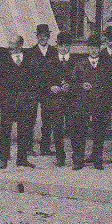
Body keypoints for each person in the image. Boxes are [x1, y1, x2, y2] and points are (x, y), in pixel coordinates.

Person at [0, 36, 39, 169]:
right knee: (5, 130)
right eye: (9, 42)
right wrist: (7, 88)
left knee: (24, 130)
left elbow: (35, 78)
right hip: (8, 101)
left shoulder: (29, 59)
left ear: (20, 45)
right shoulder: (2, 60)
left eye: (11, 43)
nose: (9, 45)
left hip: (25, 101)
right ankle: (3, 159)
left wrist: (30, 94)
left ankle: (22, 159)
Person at [70, 35, 112, 170]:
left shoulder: (106, 65)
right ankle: (78, 160)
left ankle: (97, 159)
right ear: (88, 49)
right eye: (91, 48)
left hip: (100, 104)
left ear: (100, 49)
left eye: (96, 48)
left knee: (99, 132)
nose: (94, 50)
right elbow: (72, 84)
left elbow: (110, 84)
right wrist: (82, 85)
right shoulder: (80, 64)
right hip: (82, 104)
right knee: (80, 132)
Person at [42, 31, 77, 167]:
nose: (64, 48)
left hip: (71, 101)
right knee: (57, 129)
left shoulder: (76, 62)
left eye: (67, 46)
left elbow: (80, 80)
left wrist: (71, 86)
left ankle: (76, 156)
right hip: (55, 101)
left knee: (73, 128)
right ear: (57, 46)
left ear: (70, 47)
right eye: (61, 45)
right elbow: (43, 81)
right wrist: (51, 87)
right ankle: (60, 157)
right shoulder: (50, 61)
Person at [25, 23, 58, 156]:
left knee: (47, 119)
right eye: (40, 36)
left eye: (45, 36)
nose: (42, 38)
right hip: (33, 90)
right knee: (30, 119)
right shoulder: (30, 52)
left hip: (48, 91)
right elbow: (27, 73)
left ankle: (45, 147)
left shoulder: (54, 52)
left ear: (49, 36)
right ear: (37, 37)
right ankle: (27, 147)